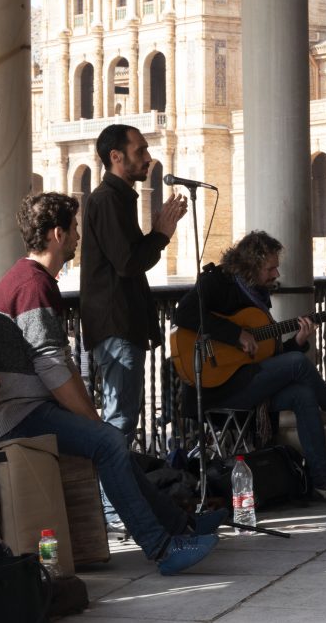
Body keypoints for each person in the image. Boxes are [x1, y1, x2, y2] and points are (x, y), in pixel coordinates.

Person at [0, 193, 220, 576]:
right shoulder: (31, 286)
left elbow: (58, 364)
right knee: (107, 440)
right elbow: (53, 368)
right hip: (14, 415)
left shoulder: (31, 280)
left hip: (25, 406)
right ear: (57, 234)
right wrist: (91, 419)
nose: (78, 236)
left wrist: (91, 418)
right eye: (73, 229)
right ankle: (162, 547)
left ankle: (177, 525)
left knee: (110, 440)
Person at [174, 231, 326, 507]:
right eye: (270, 267)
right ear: (250, 266)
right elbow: (183, 314)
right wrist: (234, 334)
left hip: (246, 382)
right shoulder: (218, 282)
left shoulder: (258, 298)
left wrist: (298, 342)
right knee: (299, 364)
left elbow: (267, 358)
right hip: (215, 388)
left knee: (302, 393)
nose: (276, 273)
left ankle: (322, 481)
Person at [81, 124, 188, 441]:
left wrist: (158, 235)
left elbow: (131, 258)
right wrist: (160, 235)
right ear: (116, 156)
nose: (148, 157)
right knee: (120, 421)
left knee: (124, 417)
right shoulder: (106, 201)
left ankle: (117, 489)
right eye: (140, 150)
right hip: (116, 327)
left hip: (122, 325)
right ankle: (110, 492)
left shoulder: (118, 199)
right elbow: (129, 263)